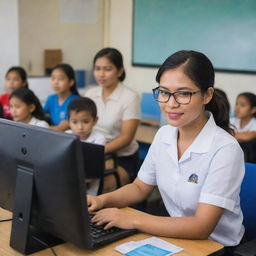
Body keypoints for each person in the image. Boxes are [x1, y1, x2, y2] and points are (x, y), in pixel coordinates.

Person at [87, 50, 245, 252]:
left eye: (184, 93)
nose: (171, 103)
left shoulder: (225, 149)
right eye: (164, 92)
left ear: (207, 95)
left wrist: (134, 219)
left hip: (216, 248)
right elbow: (139, 188)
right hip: (174, 238)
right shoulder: (164, 135)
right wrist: (101, 200)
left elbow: (201, 226)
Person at [85, 48, 140, 190]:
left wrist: (95, 151)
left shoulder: (130, 97)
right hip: (92, 151)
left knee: (98, 189)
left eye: (107, 69)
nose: (101, 74)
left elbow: (126, 138)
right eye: (97, 69)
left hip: (121, 158)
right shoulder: (90, 94)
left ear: (120, 71)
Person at [66, 96, 106, 196]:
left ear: (95, 120)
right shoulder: (67, 135)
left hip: (89, 190)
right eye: (75, 122)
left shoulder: (99, 138)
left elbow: (92, 171)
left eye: (85, 122)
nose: (80, 127)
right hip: (68, 183)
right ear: (68, 121)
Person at [44, 63, 79, 131]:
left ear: (71, 82)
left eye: (60, 79)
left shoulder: (76, 101)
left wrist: (41, 128)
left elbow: (61, 128)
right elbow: (41, 115)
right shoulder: (51, 99)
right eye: (53, 78)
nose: (56, 82)